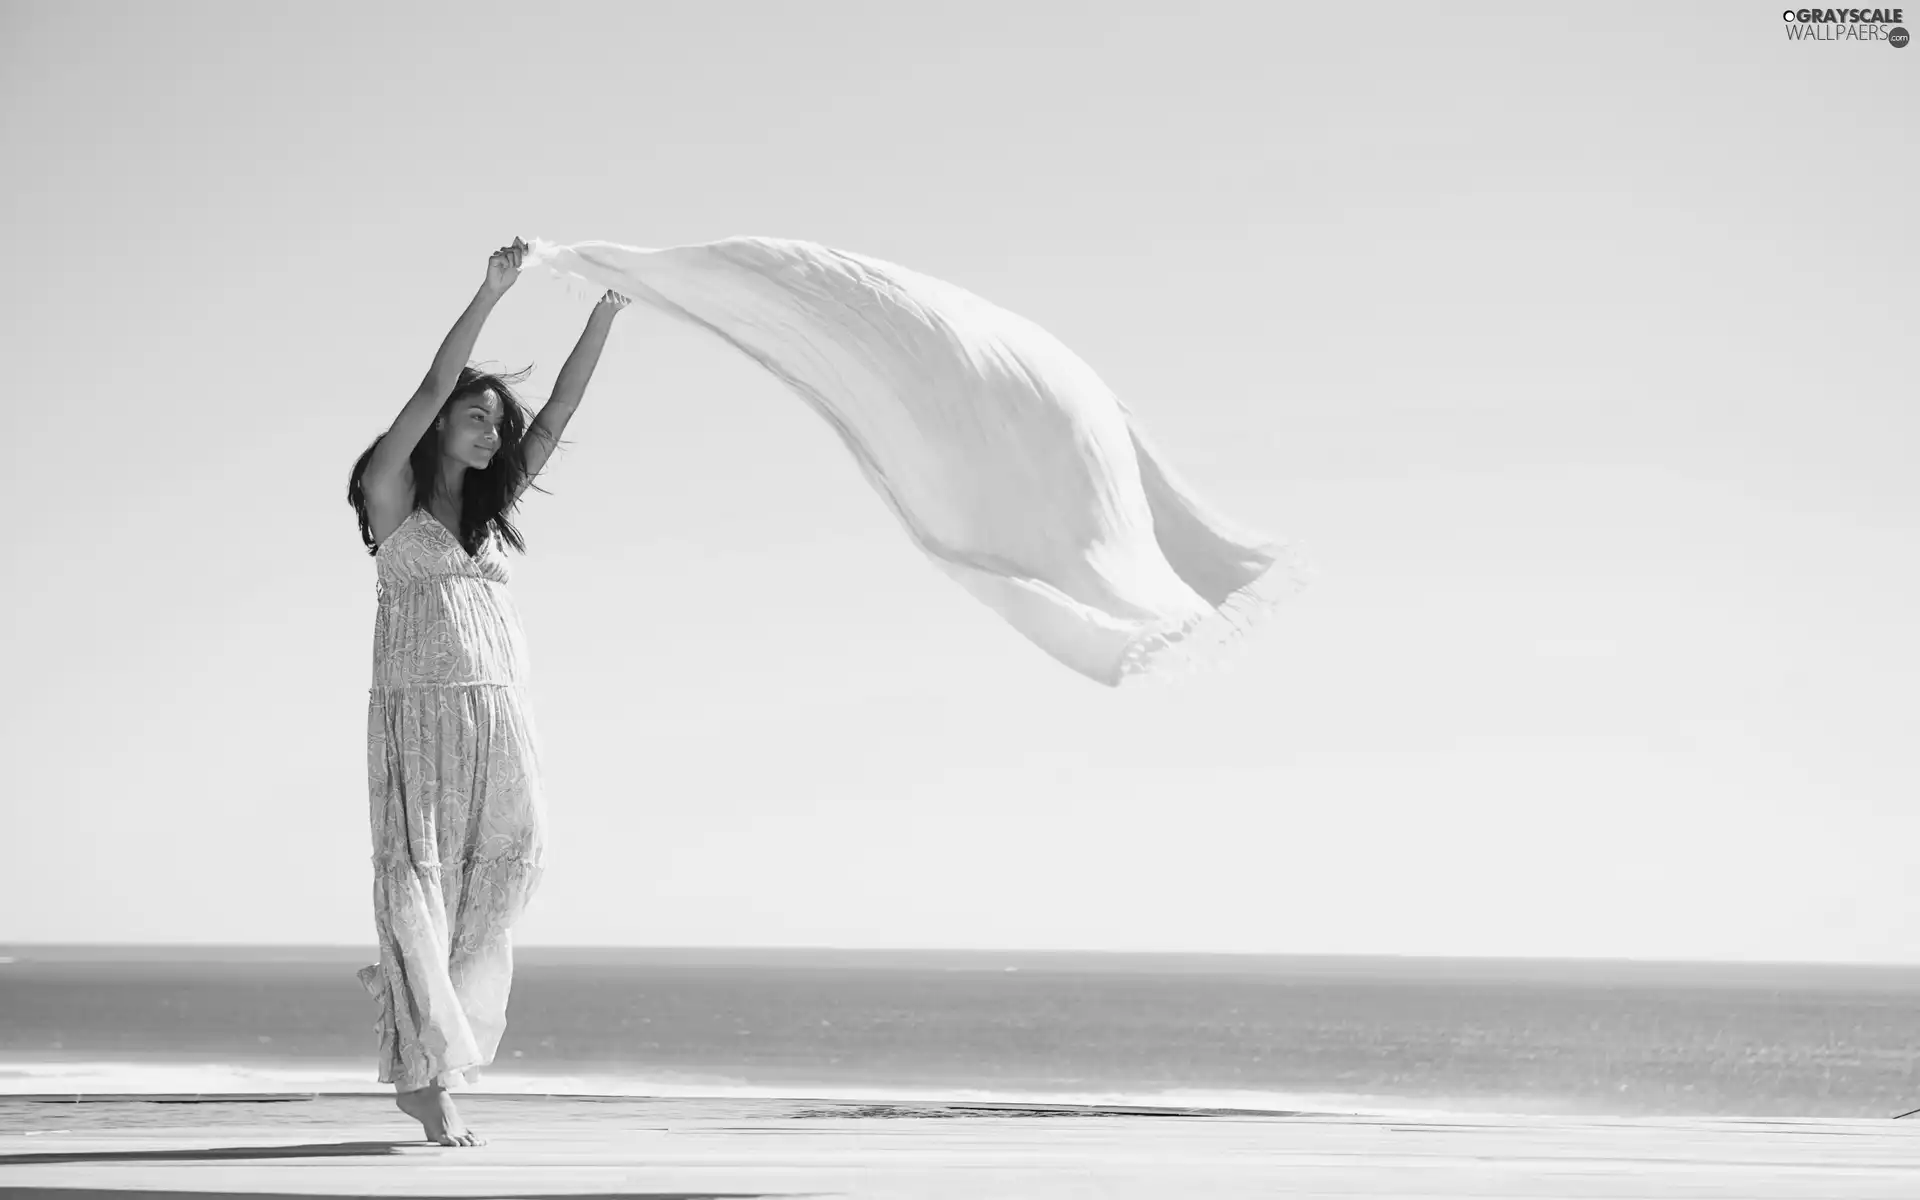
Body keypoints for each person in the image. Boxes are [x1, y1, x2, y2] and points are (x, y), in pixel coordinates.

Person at [344, 237, 629, 1146]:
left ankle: (412, 985)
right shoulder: (392, 496)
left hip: (500, 709)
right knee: (421, 878)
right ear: (441, 426)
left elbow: (561, 413)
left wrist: (605, 314)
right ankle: (428, 1079)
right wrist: (492, 291)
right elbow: (430, 386)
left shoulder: (494, 516)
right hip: (418, 714)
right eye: (476, 415)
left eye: (495, 421)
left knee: (515, 861)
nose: (490, 430)